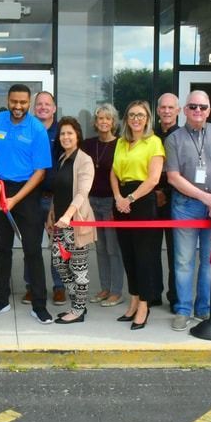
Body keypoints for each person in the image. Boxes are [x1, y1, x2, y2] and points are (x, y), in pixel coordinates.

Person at [165, 91, 211, 331]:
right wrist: (206, 198)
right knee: (184, 260)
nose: (198, 110)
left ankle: (204, 308)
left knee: (210, 260)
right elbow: (173, 177)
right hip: (186, 205)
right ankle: (183, 309)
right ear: (185, 110)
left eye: (203, 107)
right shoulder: (174, 139)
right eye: (193, 106)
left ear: (209, 109)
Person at [0, 83, 53, 324]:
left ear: (29, 102)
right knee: (2, 249)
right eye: (14, 101)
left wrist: (15, 199)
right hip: (0, 191)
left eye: (23, 102)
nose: (18, 106)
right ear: (8, 99)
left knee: (32, 250)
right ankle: (1, 300)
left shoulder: (37, 129)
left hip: (27, 194)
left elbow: (40, 172)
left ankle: (39, 305)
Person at [109, 101, 165, 331]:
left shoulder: (154, 142)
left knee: (144, 257)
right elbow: (113, 173)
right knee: (128, 255)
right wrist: (118, 198)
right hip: (121, 200)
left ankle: (144, 304)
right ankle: (133, 299)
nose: (136, 119)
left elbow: (153, 179)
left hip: (142, 201)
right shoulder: (121, 142)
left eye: (141, 115)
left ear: (148, 118)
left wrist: (129, 199)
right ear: (126, 119)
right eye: (132, 114)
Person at [47, 117, 96, 324]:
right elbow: (57, 191)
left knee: (78, 267)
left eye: (70, 133)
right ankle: (78, 304)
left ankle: (78, 310)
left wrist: (68, 215)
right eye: (62, 133)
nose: (65, 137)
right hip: (59, 223)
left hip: (76, 223)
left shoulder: (84, 160)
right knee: (59, 263)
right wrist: (52, 214)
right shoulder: (62, 159)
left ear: (77, 136)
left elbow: (82, 192)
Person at [23, 91, 66, 306]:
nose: (42, 107)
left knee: (57, 245)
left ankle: (59, 287)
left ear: (54, 108)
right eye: (39, 104)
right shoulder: (27, 129)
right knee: (30, 244)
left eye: (47, 104)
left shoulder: (62, 132)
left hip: (54, 197)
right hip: (30, 196)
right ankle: (31, 287)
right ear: (34, 108)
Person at [81, 103, 124, 308]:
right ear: (95, 122)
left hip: (110, 203)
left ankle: (116, 291)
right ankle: (105, 288)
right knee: (99, 248)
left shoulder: (121, 144)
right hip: (92, 201)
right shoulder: (88, 144)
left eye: (108, 118)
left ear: (114, 122)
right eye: (100, 118)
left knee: (113, 248)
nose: (104, 122)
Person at [154, 92, 180, 312]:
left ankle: (175, 297)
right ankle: (153, 294)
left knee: (175, 252)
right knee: (151, 250)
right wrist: (154, 191)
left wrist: (166, 191)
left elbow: (186, 171)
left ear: (178, 111)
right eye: (163, 107)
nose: (166, 111)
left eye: (171, 108)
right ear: (158, 110)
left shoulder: (183, 136)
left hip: (175, 201)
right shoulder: (149, 135)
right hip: (151, 199)